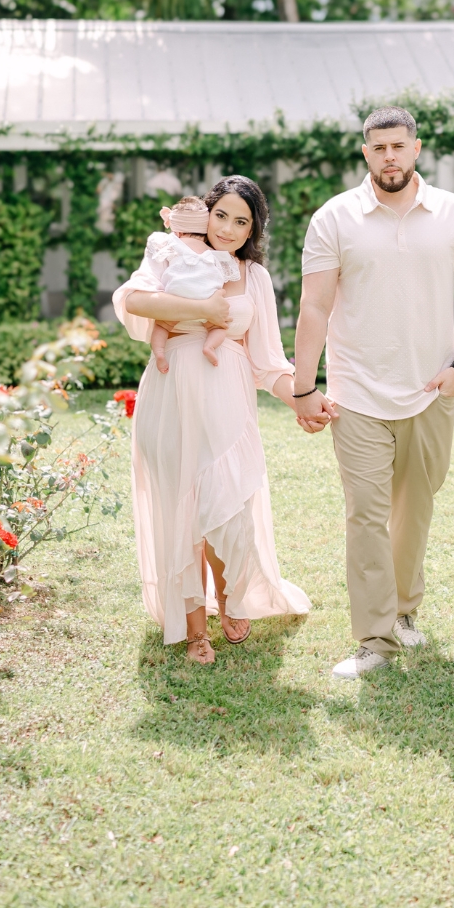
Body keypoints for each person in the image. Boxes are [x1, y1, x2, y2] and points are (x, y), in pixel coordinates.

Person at [289, 106, 454, 680]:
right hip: (356, 393)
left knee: (414, 512)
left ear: (416, 148)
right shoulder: (334, 219)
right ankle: (375, 640)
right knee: (366, 517)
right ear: (365, 153)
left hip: (431, 389)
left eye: (398, 147)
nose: (389, 157)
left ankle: (404, 613)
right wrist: (305, 388)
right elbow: (314, 308)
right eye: (378, 148)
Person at [111, 175, 311, 665]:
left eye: (241, 222)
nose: (227, 228)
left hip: (227, 399)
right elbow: (134, 301)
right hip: (171, 391)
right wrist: (201, 307)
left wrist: (302, 398)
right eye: (221, 214)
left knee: (227, 506)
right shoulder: (171, 254)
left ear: (251, 231)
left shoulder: (254, 278)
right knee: (182, 509)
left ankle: (231, 599)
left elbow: (268, 362)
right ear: (205, 211)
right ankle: (195, 628)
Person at [148, 196, 238, 372]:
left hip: (177, 297)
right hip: (206, 297)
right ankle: (209, 347)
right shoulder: (212, 251)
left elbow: (159, 253)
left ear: (178, 231)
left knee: (161, 325)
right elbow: (228, 268)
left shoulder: (173, 242)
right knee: (218, 326)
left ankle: (159, 353)